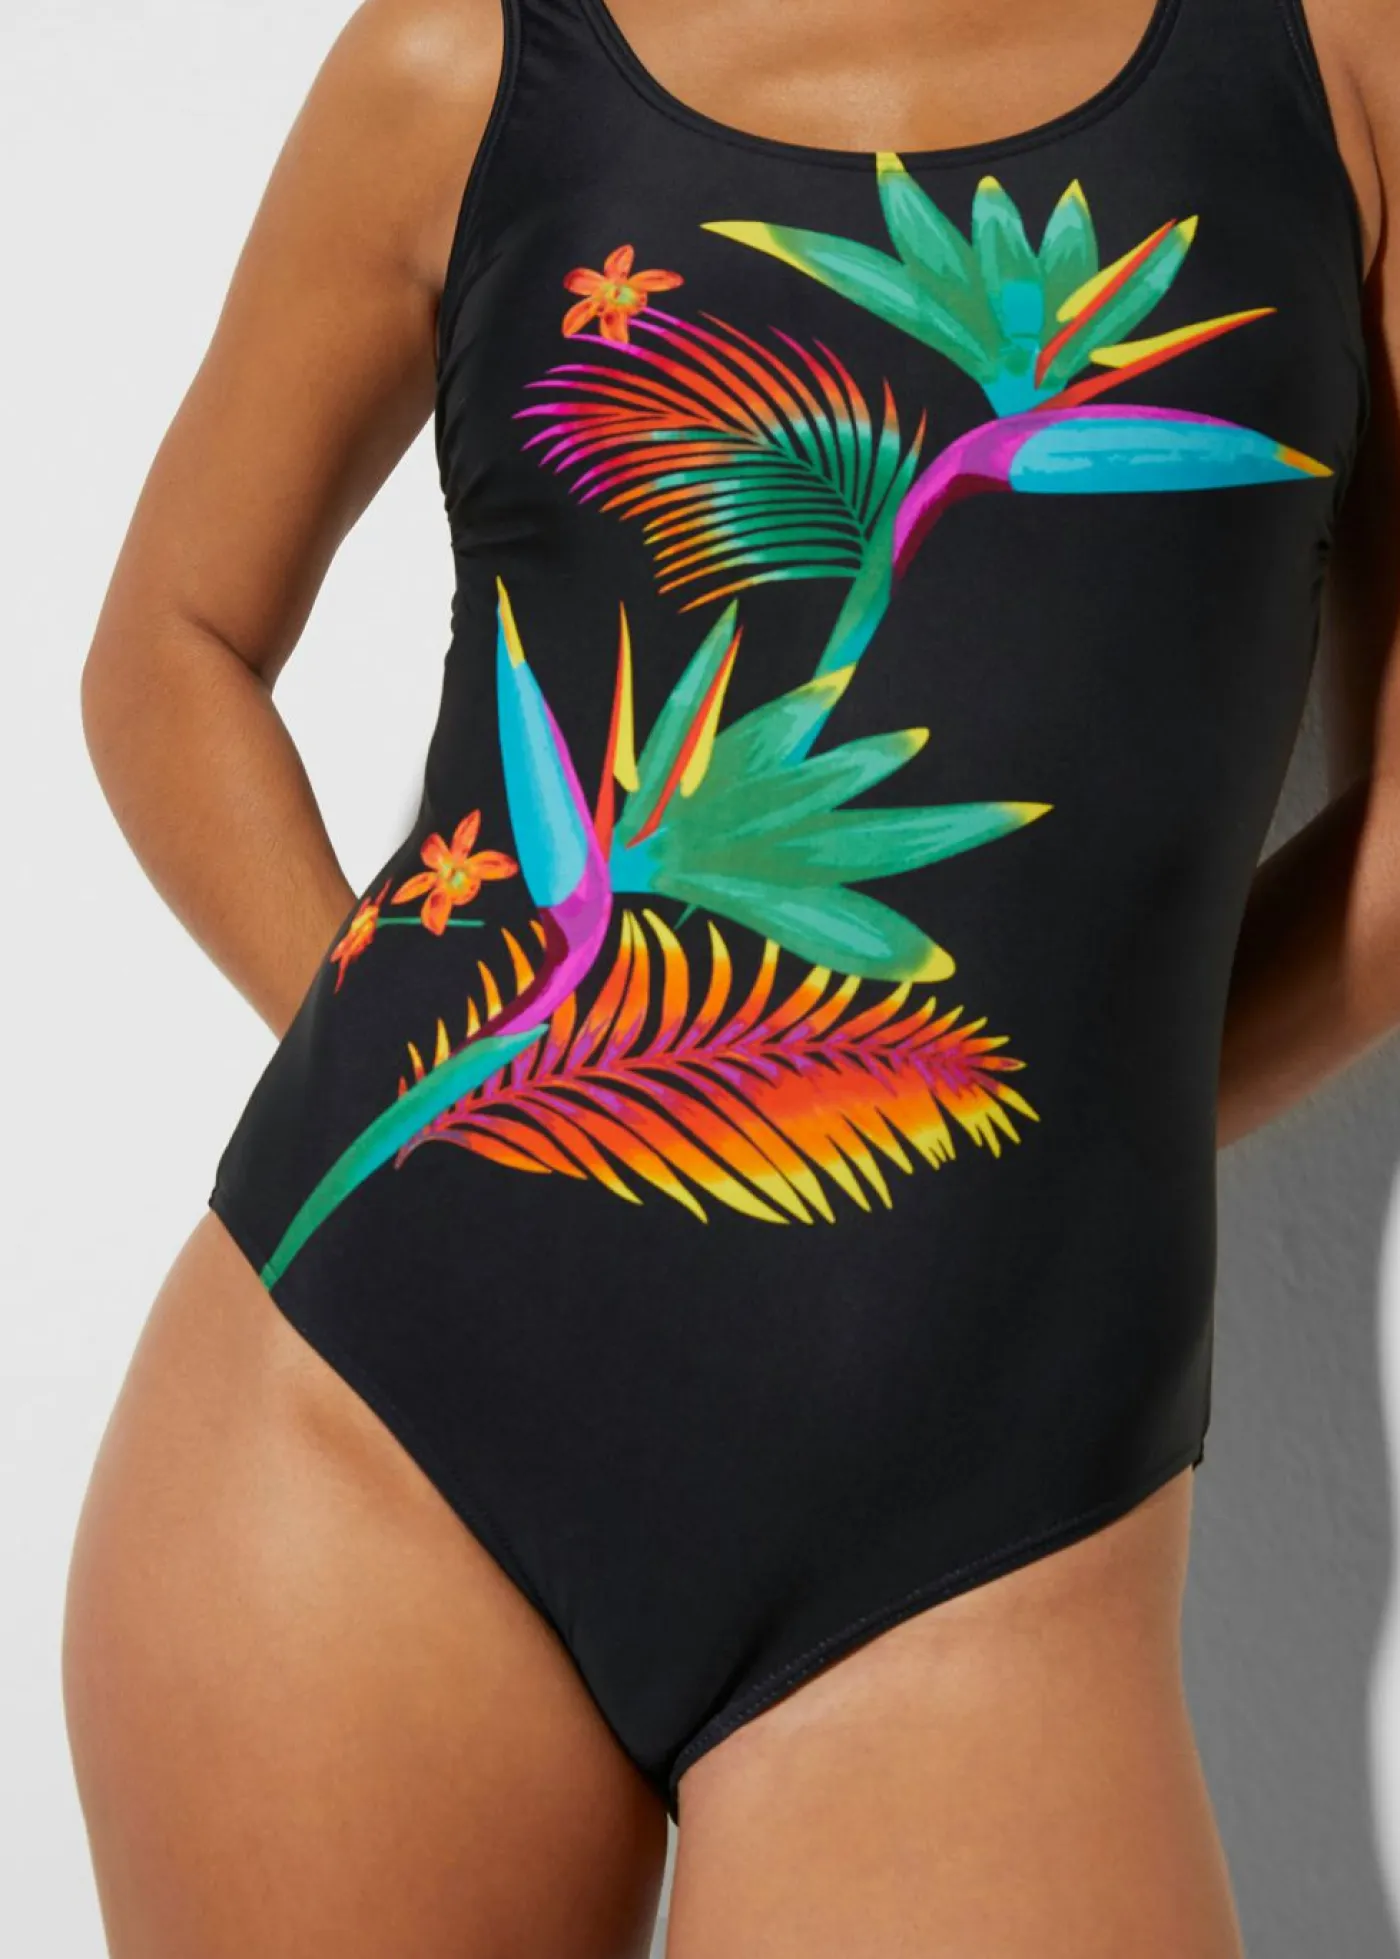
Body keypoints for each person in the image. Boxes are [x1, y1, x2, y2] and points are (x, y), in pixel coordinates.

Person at [63, 0, 1400, 1952]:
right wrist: (489, 1102)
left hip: (986, 1537)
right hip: (370, 1446)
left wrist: (1007, 1148)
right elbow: (169, 651)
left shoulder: (1338, 70)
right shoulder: (464, 65)